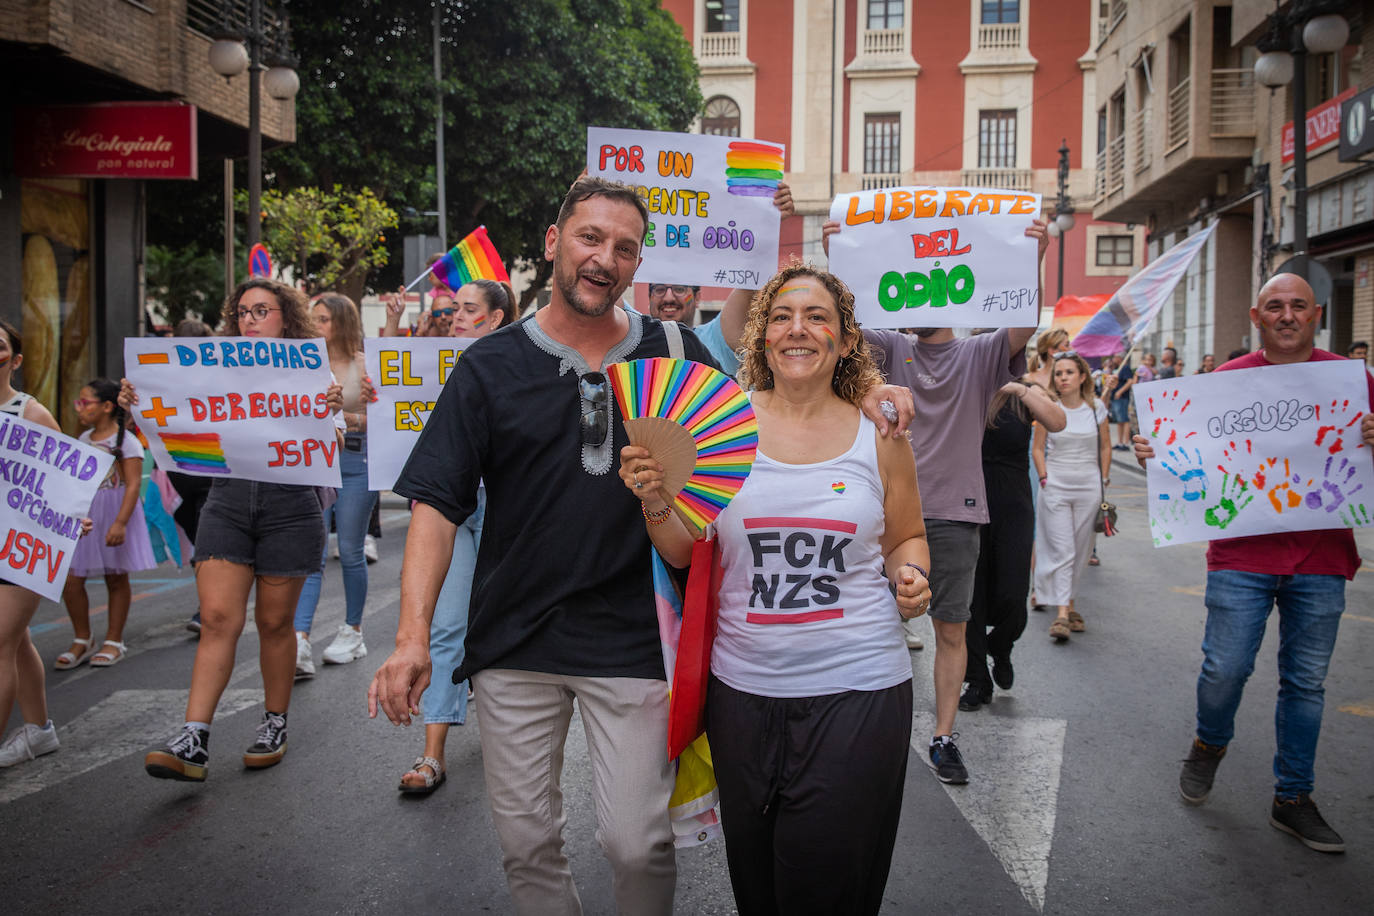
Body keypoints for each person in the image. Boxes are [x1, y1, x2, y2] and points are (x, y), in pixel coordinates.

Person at [369, 176, 722, 915]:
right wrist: (410, 641)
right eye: (590, 238)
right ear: (554, 242)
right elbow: (435, 503)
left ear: (637, 264)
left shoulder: (677, 352)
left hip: (634, 638)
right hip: (514, 641)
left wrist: (873, 397)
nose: (605, 258)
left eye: (625, 248)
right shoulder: (489, 365)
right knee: (528, 845)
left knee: (639, 842)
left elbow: (752, 444)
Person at [619, 264, 931, 915]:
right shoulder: (718, 427)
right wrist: (655, 500)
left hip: (858, 691)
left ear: (846, 341)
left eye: (818, 317)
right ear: (761, 338)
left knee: (822, 886)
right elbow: (682, 549)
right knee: (757, 886)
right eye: (783, 316)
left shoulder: (881, 432)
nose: (799, 329)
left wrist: (913, 575)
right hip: (742, 700)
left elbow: (907, 534)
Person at [1135, 272, 1374, 853]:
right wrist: (1157, 458)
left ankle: (1293, 798)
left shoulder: (1353, 381)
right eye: (1275, 306)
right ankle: (1209, 743)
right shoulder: (1223, 384)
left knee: (1306, 684)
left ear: (1315, 314)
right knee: (1225, 671)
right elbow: (1188, 467)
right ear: (1256, 316)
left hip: (1322, 558)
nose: (1287, 314)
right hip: (1240, 556)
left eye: (1297, 305)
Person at [822, 215, 1049, 785]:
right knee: (868, 624)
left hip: (953, 518)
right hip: (880, 514)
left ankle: (943, 737)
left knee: (951, 630)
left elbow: (1022, 323)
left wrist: (1032, 259)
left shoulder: (980, 355)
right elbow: (843, 324)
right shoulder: (887, 346)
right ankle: (863, 730)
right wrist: (839, 257)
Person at [130, 278, 343, 782]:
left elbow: (333, 436)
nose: (250, 320)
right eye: (243, 312)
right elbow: (177, 413)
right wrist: (138, 399)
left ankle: (274, 723)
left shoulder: (312, 370)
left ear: (285, 319)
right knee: (219, 619)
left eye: (261, 311)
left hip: (290, 507)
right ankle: (194, 736)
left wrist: (334, 409)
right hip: (225, 503)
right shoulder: (211, 368)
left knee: (274, 624)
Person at [395, 277, 516, 795]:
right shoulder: (427, 366)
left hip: (508, 506)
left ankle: (516, 743)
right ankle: (432, 754)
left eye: (469, 310)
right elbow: (382, 411)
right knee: (445, 626)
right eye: (453, 309)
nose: (456, 317)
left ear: (495, 319)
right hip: (448, 510)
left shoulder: (515, 366)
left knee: (502, 625)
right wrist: (372, 400)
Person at [0, 321, 91, 766]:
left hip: (16, 546)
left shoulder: (29, 413)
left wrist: (72, 517)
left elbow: (65, 480)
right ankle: (39, 730)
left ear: (15, 360)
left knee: (0, 641)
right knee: (15, 642)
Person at [961, 375, 1065, 709]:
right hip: (966, 502)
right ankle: (977, 680)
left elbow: (1058, 421)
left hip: (1013, 504)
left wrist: (1020, 388)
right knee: (970, 599)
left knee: (1012, 594)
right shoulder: (966, 385)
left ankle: (1001, 646)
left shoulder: (1026, 391)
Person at [292, 293, 375, 677]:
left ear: (340, 323)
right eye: (313, 319)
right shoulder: (305, 364)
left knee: (350, 549)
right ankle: (300, 639)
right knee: (312, 552)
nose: (316, 326)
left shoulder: (365, 361)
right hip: (318, 460)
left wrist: (350, 418)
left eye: (322, 319)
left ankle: (353, 630)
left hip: (358, 461)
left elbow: (386, 417)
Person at [55, 378, 158, 669]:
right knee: (71, 579)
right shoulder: (85, 438)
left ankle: (114, 639)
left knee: (116, 576)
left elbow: (133, 483)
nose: (80, 408)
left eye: (85, 402)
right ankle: (82, 637)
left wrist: (120, 523)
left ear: (107, 406)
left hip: (115, 510)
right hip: (87, 513)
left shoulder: (127, 442)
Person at [640, 182, 794, 375]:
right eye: (659, 289)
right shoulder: (630, 336)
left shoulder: (715, 339)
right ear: (649, 298)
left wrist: (769, 223)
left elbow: (750, 278)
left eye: (680, 289)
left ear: (697, 298)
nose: (669, 297)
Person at [1032, 352, 1110, 641]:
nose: (1062, 378)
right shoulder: (1049, 408)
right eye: (1059, 373)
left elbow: (1105, 446)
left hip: (1089, 486)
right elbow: (1038, 448)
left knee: (1080, 549)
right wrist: (1043, 477)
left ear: (1082, 377)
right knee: (1062, 548)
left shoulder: (1096, 409)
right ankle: (1063, 614)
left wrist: (1103, 479)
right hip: (1056, 486)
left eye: (1068, 372)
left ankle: (1070, 602)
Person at [169, 317, 216, 634]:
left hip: (209, 474)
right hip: (181, 474)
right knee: (198, 533)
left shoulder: (218, 378)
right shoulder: (166, 378)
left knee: (204, 540)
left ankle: (207, 607)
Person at [1110, 355, 1136, 449]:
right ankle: (1120, 442)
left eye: (1115, 357)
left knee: (1124, 420)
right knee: (1119, 421)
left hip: (1122, 397)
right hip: (1116, 397)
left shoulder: (1125, 368)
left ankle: (1125, 443)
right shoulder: (1118, 368)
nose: (1113, 359)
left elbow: (1130, 381)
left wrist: (1120, 391)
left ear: (1120, 357)